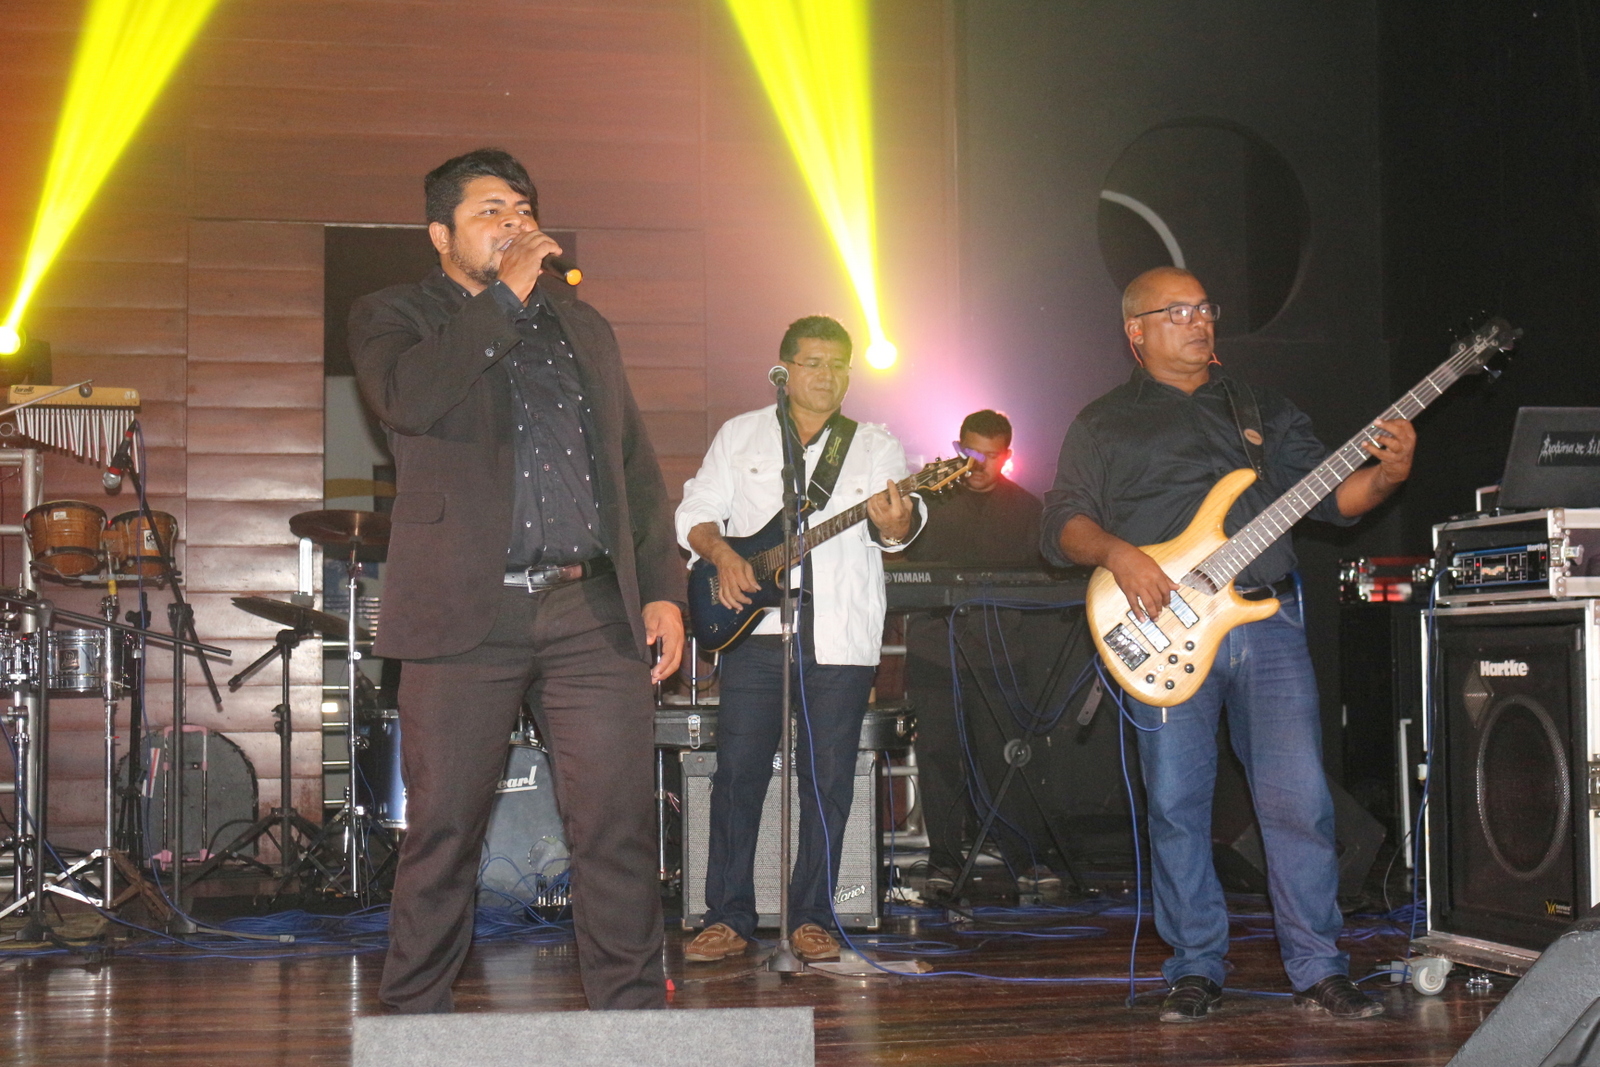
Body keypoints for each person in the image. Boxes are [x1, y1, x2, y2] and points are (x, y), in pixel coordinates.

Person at [349, 147, 685, 1013]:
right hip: (466, 612)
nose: (513, 222)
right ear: (441, 235)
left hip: (589, 608)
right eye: (489, 211)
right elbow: (409, 398)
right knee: (443, 831)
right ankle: (414, 1026)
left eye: (522, 208)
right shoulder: (395, 316)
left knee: (616, 827)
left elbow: (633, 466)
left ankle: (633, 1023)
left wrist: (660, 586)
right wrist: (503, 297)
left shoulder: (583, 326)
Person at [1042, 266, 1414, 1022]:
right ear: (1135, 331)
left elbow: (1337, 500)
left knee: (1299, 800)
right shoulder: (1103, 423)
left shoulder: (1261, 409)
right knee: (1178, 803)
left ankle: (1319, 966)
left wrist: (1389, 475)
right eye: (1176, 311)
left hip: (1266, 620)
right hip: (1163, 628)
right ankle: (1194, 966)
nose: (1198, 321)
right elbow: (1062, 522)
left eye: (1205, 308)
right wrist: (1119, 554)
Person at [676, 315, 923, 963]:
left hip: (840, 636)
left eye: (839, 365)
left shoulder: (873, 444)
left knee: (828, 779)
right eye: (814, 363)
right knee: (738, 775)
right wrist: (724, 556)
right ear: (783, 370)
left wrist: (897, 525)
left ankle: (811, 916)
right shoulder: (742, 434)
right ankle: (727, 915)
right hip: (754, 632)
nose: (827, 376)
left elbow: (896, 529)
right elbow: (695, 512)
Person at [900, 410, 1057, 895]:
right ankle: (944, 863)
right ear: (956, 448)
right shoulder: (928, 500)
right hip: (934, 650)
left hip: (1000, 653)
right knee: (939, 758)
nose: (978, 464)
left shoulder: (1027, 509)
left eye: (990, 455)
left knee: (1008, 758)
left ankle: (1025, 858)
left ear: (1007, 456)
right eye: (970, 453)